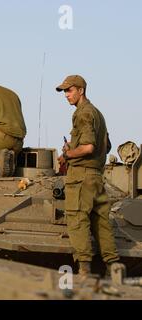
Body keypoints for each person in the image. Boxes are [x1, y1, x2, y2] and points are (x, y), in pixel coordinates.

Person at [56, 75, 120, 276]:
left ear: (81, 90)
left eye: (69, 90)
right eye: (65, 91)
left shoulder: (82, 113)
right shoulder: (98, 114)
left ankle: (84, 271)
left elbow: (88, 147)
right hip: (96, 177)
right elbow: (106, 145)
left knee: (77, 219)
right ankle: (114, 267)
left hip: (81, 177)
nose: (66, 95)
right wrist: (73, 147)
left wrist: (67, 154)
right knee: (101, 222)